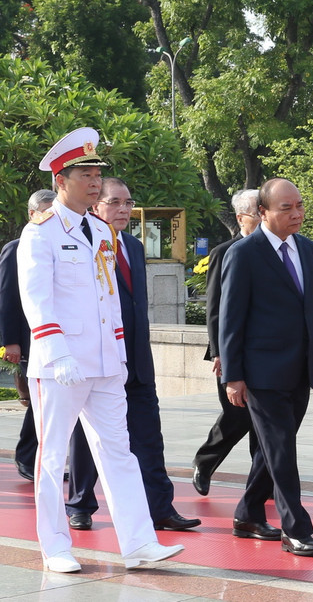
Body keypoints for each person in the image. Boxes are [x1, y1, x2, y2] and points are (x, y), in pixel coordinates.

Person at [18, 127, 183, 573]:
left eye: (96, 173)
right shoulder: (42, 233)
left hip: (107, 364)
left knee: (119, 451)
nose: (94, 182)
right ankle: (55, 547)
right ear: (61, 180)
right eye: (84, 174)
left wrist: (119, 355)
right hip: (61, 366)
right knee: (52, 456)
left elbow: (109, 300)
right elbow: (37, 301)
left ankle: (139, 543)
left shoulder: (100, 230)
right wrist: (57, 352)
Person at [64, 177, 201, 532]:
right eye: (114, 202)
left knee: (149, 437)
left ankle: (161, 508)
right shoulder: (82, 244)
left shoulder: (135, 247)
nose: (123, 209)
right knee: (87, 438)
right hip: (97, 359)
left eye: (127, 202)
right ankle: (80, 505)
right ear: (96, 206)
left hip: (137, 361)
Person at [219, 177, 313, 557]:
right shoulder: (245, 253)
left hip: (301, 370)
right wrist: (233, 376)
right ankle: (296, 529)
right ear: (263, 213)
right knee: (282, 451)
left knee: (273, 450)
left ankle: (248, 514)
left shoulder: (308, 249)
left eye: (299, 205)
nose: (297, 214)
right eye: (286, 208)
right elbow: (230, 320)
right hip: (261, 373)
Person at [191, 189, 263, 496]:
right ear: (241, 218)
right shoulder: (225, 252)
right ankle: (205, 462)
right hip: (233, 350)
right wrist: (219, 352)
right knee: (237, 414)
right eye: (257, 213)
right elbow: (216, 308)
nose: (263, 218)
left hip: (267, 350)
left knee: (265, 420)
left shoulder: (279, 251)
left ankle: (261, 483)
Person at [4, 190, 57, 481]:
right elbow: (7, 298)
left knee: (50, 402)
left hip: (58, 337)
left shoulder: (61, 244)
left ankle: (41, 458)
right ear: (31, 215)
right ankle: (26, 456)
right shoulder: (16, 248)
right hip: (29, 338)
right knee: (39, 401)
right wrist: (10, 341)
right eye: (45, 211)